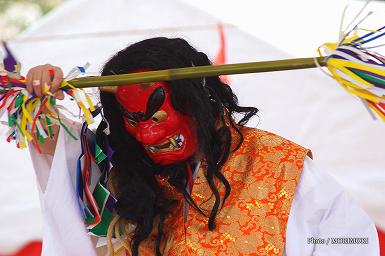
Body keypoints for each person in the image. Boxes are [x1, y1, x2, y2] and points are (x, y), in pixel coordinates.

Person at [26, 37, 379, 256]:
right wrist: (42, 96)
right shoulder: (126, 181)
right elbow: (60, 158)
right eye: (133, 121)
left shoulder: (279, 164)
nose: (148, 135)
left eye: (157, 115)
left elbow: (349, 241)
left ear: (197, 99)